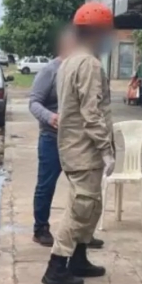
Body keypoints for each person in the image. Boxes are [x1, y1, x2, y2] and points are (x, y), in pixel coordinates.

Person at [42, 2, 116, 284]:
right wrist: (106, 148)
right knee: (81, 206)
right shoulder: (88, 64)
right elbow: (91, 112)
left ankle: (79, 258)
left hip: (76, 146)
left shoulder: (70, 60)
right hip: (84, 148)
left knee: (91, 204)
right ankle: (57, 266)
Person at [28, 27, 104, 250]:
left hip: (78, 141)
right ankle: (40, 228)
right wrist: (50, 117)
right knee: (46, 185)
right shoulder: (50, 70)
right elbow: (34, 102)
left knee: (83, 189)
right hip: (52, 138)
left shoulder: (85, 68)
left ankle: (83, 235)